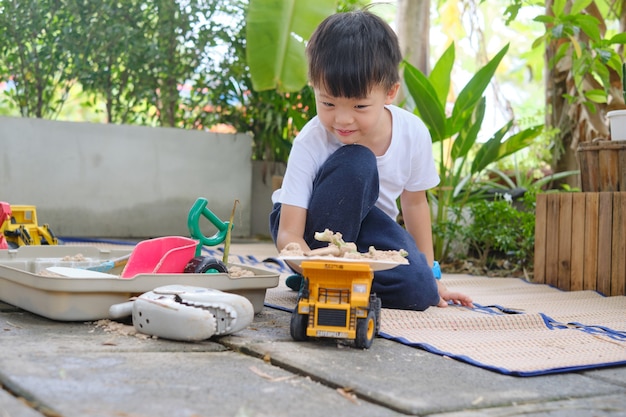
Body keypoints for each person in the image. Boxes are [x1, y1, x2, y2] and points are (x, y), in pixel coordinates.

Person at [269, 9, 473, 311]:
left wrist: (431, 276)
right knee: (357, 161)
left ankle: (339, 278)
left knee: (421, 292)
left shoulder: (412, 133)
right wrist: (309, 261)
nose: (342, 119)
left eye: (360, 105)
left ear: (390, 92)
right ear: (313, 86)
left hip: (369, 228)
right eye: (327, 102)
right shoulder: (311, 140)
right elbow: (289, 233)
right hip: (308, 226)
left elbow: (415, 204)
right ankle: (317, 277)